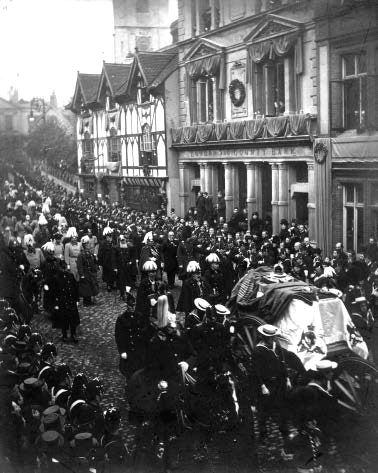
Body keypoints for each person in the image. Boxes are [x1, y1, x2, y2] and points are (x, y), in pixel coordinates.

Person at [251, 324, 293, 460]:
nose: (272, 339)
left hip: (279, 383)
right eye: (269, 337)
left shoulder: (277, 346)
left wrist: (287, 378)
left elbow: (282, 362)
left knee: (282, 409)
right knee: (264, 411)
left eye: (273, 337)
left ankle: (284, 432)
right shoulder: (258, 350)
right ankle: (263, 435)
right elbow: (256, 371)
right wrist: (262, 386)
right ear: (264, 337)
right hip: (267, 385)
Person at [50, 260, 80, 343]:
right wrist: (56, 303)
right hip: (62, 302)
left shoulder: (70, 276)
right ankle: (64, 335)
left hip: (71, 300)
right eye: (62, 268)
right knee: (64, 319)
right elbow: (54, 292)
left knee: (73, 319)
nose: (64, 270)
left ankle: (73, 334)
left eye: (65, 268)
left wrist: (77, 299)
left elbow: (75, 288)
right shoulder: (56, 278)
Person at [77, 235, 99, 306]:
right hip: (85, 273)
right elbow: (79, 266)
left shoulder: (90, 253)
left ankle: (89, 301)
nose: (87, 245)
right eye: (85, 244)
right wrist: (81, 274)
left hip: (90, 273)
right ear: (83, 245)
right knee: (85, 288)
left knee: (90, 287)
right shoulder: (81, 255)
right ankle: (86, 302)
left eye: (88, 243)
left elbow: (93, 262)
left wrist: (95, 263)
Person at [98, 226, 116, 292]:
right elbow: (100, 253)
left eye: (110, 236)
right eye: (108, 236)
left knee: (112, 273)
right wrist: (100, 262)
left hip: (113, 260)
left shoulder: (113, 242)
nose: (110, 237)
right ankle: (108, 285)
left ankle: (111, 284)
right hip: (106, 261)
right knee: (107, 274)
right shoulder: (103, 243)